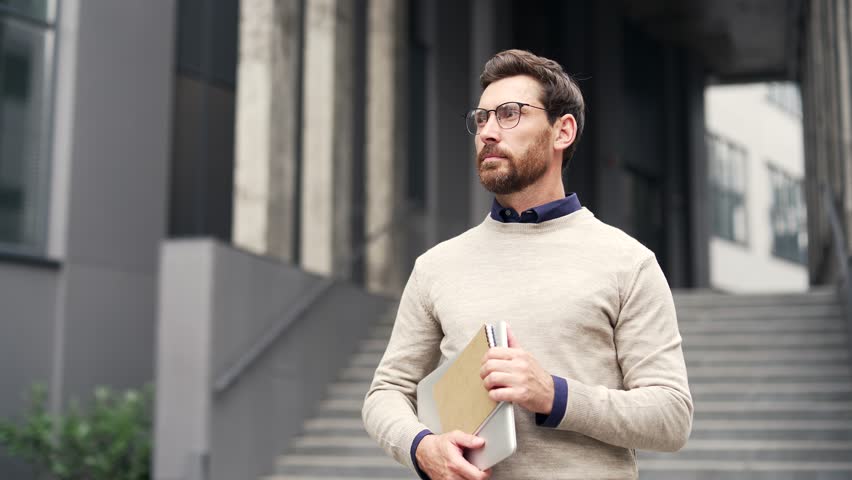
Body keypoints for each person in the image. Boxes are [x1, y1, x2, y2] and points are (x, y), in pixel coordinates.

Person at [361, 49, 692, 480]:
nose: (488, 132)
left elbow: (672, 416)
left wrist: (555, 395)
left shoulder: (628, 262)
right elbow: (385, 392)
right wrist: (422, 448)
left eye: (510, 114)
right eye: (481, 119)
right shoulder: (436, 266)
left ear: (563, 131)